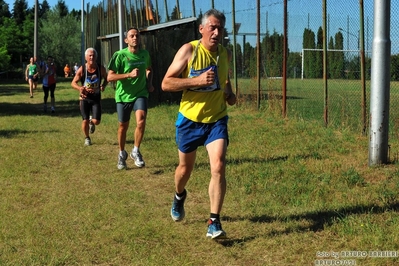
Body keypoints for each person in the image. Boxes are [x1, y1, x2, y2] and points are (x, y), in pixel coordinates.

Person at [161, 9, 237, 239]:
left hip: (216, 119)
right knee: (185, 170)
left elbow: (224, 78)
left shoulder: (225, 54)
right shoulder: (189, 50)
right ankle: (179, 195)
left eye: (220, 28)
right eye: (212, 27)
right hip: (189, 121)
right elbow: (166, 83)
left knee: (218, 165)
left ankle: (214, 221)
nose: (216, 32)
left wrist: (229, 92)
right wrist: (196, 81)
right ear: (201, 29)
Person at [107, 27, 154, 170]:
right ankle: (122, 153)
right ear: (126, 40)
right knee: (123, 126)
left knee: (141, 120)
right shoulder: (120, 55)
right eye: (132, 36)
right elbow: (110, 77)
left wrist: (149, 83)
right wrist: (128, 75)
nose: (135, 38)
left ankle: (135, 150)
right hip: (123, 96)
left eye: (137, 36)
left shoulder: (145, 54)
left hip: (140, 93)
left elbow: (149, 68)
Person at [71, 48, 108, 146]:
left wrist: (103, 85)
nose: (92, 57)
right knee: (85, 120)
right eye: (90, 55)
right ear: (86, 57)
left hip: (96, 98)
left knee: (97, 121)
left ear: (96, 57)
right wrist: (79, 88)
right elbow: (73, 83)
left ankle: (92, 122)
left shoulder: (100, 68)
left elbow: (107, 78)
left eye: (93, 55)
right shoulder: (82, 69)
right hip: (84, 98)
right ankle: (87, 138)